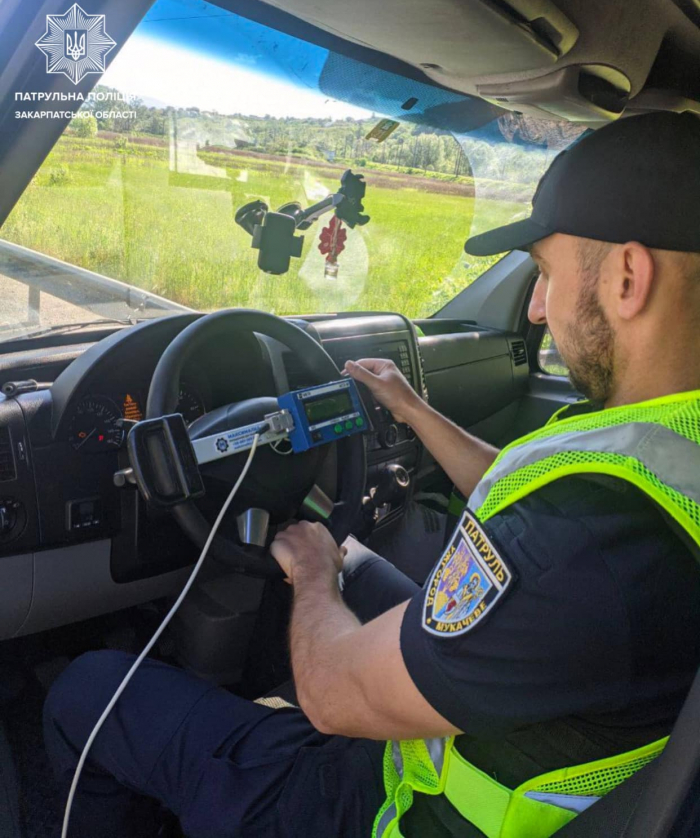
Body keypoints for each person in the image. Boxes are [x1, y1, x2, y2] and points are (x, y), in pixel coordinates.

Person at [44, 110, 700, 838]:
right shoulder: (659, 447)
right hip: (520, 725)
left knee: (87, 691)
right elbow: (517, 487)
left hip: (391, 808)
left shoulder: (585, 546)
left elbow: (329, 696)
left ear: (629, 278)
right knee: (357, 565)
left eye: (544, 273)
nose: (537, 310)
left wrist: (315, 574)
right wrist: (410, 408)